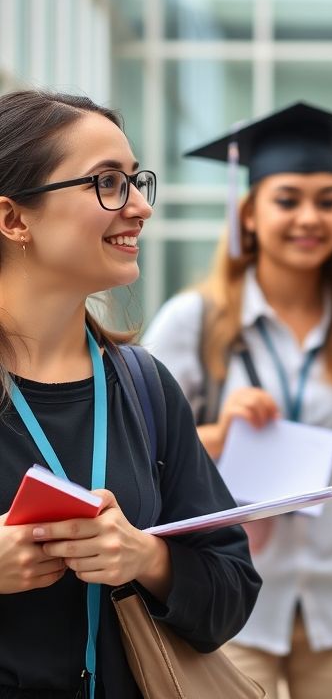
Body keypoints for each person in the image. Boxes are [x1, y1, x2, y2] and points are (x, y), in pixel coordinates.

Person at [143, 101, 332, 699]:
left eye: (328, 201)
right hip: (230, 600)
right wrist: (218, 435)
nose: (309, 218)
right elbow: (141, 454)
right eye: (287, 200)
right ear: (249, 214)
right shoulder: (195, 320)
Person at [0, 89, 260, 698]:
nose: (140, 207)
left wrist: (147, 559)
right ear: (14, 220)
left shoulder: (144, 387)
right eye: (108, 183)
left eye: (135, 182)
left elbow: (232, 591)